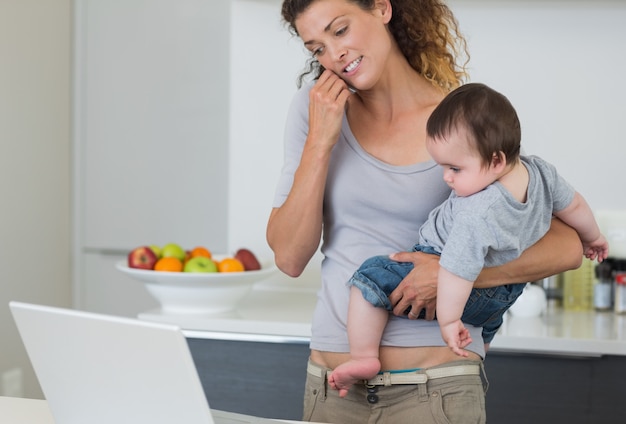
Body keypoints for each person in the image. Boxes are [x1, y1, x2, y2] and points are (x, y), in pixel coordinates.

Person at [267, 1, 582, 422]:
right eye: (317, 49)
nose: (333, 55)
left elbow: (566, 245)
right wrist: (320, 141)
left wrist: (454, 274)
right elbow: (289, 257)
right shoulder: (316, 111)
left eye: (339, 30)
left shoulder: (458, 122)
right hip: (331, 387)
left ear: (381, 8)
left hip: (435, 390)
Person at [328, 82, 609, 396]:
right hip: (505, 295)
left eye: (455, 168)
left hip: (460, 289)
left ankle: (364, 357)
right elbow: (575, 205)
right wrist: (593, 237)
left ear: (496, 161)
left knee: (370, 276)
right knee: (486, 325)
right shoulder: (542, 172)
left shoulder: (476, 212)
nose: (446, 177)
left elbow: (455, 272)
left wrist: (450, 322)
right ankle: (483, 347)